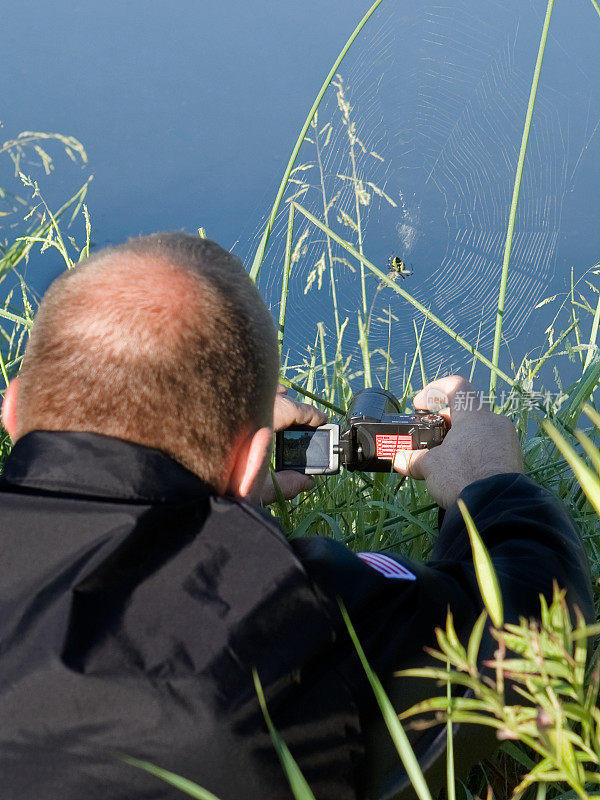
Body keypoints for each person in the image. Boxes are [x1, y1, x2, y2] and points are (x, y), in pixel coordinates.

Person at [0, 233, 592, 800]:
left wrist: (215, 483)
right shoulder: (283, 613)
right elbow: (536, 658)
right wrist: (488, 484)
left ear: (12, 408)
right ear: (255, 457)